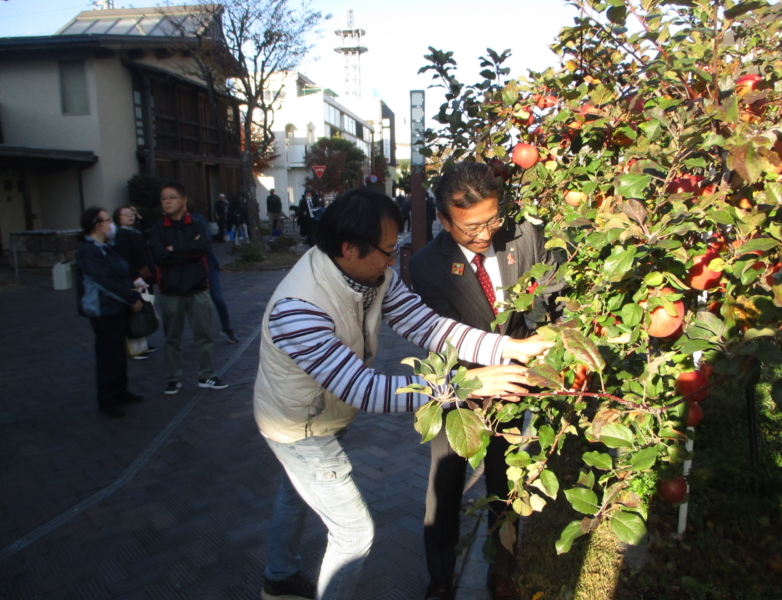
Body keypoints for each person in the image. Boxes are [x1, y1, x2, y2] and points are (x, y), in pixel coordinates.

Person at [252, 187, 554, 600]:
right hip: (297, 425)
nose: (393, 260)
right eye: (389, 250)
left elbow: (429, 326)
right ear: (350, 248)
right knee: (353, 533)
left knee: (296, 495)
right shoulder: (298, 310)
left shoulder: (373, 276)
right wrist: (468, 384)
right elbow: (365, 389)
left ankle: (279, 576)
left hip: (325, 410)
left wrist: (509, 348)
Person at [410, 162, 563, 600]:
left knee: (505, 480)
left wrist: (552, 338)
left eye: (492, 221)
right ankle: (441, 577)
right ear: (444, 221)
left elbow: (556, 297)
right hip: (458, 388)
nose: (484, 234)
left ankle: (502, 570)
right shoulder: (426, 267)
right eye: (471, 227)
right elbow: (441, 340)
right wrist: (479, 378)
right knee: (446, 483)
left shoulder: (525, 237)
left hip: (515, 383)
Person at [149, 182, 228, 395]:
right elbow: (160, 257)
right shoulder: (157, 229)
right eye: (163, 198)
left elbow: (202, 248)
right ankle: (173, 378)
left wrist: (174, 249)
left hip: (198, 288)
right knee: (172, 338)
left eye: (172, 197)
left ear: (183, 200)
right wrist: (187, 251)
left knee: (204, 335)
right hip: (171, 290)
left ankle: (207, 375)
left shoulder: (197, 224)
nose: (167, 202)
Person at [75, 207, 144, 418]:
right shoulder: (88, 252)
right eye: (107, 220)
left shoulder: (107, 247)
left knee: (118, 353)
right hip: (103, 311)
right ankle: (107, 399)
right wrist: (130, 298)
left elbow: (122, 273)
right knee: (108, 355)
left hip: (117, 308)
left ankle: (120, 391)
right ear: (98, 226)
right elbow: (105, 281)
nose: (111, 223)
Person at [112, 205, 158, 359]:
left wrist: (139, 215)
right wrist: (134, 277)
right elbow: (125, 259)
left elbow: (150, 226)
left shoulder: (135, 230)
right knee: (136, 311)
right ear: (118, 218)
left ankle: (142, 342)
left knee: (146, 308)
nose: (130, 216)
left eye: (131, 213)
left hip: (145, 276)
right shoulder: (122, 234)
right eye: (125, 214)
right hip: (135, 278)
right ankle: (135, 347)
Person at [191, 209, 240, 344]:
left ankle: (227, 328)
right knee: (196, 303)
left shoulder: (198, 218)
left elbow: (205, 241)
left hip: (209, 266)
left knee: (218, 298)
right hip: (192, 269)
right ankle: (200, 333)